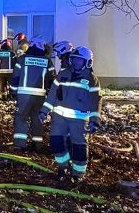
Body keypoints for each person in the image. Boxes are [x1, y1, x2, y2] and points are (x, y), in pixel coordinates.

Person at [41, 46, 101, 186]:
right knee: (56, 143)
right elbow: (52, 95)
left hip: (79, 120)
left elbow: (95, 102)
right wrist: (44, 111)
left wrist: (94, 120)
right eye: (74, 60)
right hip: (59, 117)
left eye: (80, 61)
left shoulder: (92, 80)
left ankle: (78, 174)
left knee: (79, 146)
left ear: (87, 62)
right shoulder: (63, 74)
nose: (76, 63)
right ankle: (63, 167)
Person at [11, 36, 52, 150]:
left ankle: (20, 144)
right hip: (40, 96)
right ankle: (37, 144)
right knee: (37, 118)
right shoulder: (47, 61)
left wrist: (13, 91)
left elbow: (16, 76)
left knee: (21, 118)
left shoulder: (22, 59)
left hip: (23, 95)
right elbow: (52, 78)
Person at [0, 35, 16, 100]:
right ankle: (12, 97)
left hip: (1, 73)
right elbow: (15, 62)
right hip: (10, 72)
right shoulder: (12, 53)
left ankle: (4, 97)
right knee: (11, 85)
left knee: (3, 85)